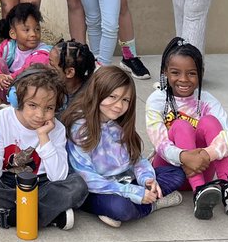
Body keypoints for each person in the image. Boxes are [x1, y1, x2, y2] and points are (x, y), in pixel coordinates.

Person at [62, 65, 186, 227]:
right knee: (121, 208)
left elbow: (137, 160)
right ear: (97, 92)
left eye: (125, 100)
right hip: (94, 190)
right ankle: (152, 205)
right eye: (112, 96)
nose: (119, 105)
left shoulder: (117, 126)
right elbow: (86, 178)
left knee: (176, 174)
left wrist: (147, 180)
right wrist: (133, 192)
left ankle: (145, 199)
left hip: (125, 182)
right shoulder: (80, 127)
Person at [0, 69, 89, 230]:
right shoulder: (2, 119)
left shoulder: (56, 129)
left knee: (77, 186)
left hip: (42, 183)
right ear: (17, 100)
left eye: (49, 108)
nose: (40, 114)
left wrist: (44, 137)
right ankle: (48, 216)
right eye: (33, 105)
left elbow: (58, 177)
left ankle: (10, 217)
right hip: (8, 180)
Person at [146, 38, 228, 220]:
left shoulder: (207, 100)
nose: (184, 79)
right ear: (165, 72)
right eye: (175, 72)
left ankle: (227, 187)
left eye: (191, 73)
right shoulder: (156, 100)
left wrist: (205, 155)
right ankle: (199, 192)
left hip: (204, 168)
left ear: (201, 73)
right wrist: (184, 157)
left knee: (210, 122)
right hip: (170, 171)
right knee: (180, 125)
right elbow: (160, 144)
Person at [0, 3, 51, 103]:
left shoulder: (43, 51)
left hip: (27, 93)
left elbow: (31, 69)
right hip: (7, 87)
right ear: (13, 34)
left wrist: (11, 78)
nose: (33, 34)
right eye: (27, 30)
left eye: (37, 29)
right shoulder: (9, 47)